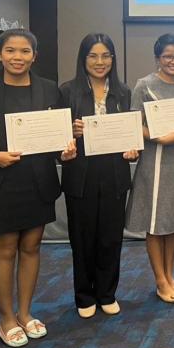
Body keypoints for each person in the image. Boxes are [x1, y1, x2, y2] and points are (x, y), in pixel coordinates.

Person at [0, 28, 76, 348]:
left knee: (31, 247)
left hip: (37, 181)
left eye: (25, 51)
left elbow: (57, 135)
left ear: (34, 56)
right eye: (10, 51)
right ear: (0, 54)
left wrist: (65, 151)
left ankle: (25, 313)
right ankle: (6, 319)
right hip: (0, 182)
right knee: (5, 250)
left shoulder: (49, 89)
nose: (17, 57)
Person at [59, 33, 139, 318]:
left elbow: (129, 134)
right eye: (93, 55)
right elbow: (57, 135)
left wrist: (133, 150)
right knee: (82, 239)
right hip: (80, 175)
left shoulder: (123, 91)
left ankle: (107, 293)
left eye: (106, 56)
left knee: (110, 237)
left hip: (114, 175)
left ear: (113, 59)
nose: (100, 61)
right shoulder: (67, 91)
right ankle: (84, 295)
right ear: (83, 59)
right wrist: (70, 131)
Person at [126, 33, 174, 303]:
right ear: (157, 58)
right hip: (155, 161)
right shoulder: (144, 85)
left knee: (173, 221)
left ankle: (170, 275)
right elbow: (133, 123)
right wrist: (159, 137)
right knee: (156, 223)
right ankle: (160, 280)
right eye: (168, 56)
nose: (173, 61)